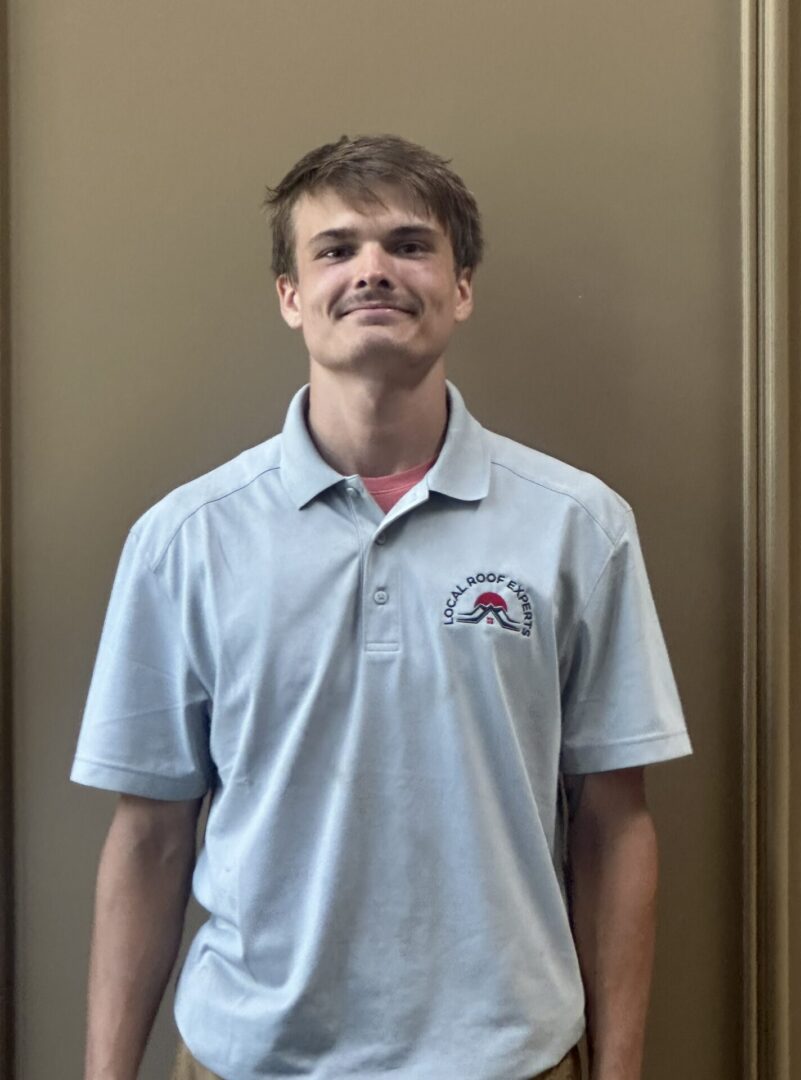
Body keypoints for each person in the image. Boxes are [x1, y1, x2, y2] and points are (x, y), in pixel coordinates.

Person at [71, 133, 692, 1080]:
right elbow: (149, 838)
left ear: (462, 287)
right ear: (290, 295)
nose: (373, 270)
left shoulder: (579, 529)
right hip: (249, 1060)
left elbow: (616, 825)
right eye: (336, 248)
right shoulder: (185, 540)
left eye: (410, 245)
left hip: (508, 1061)